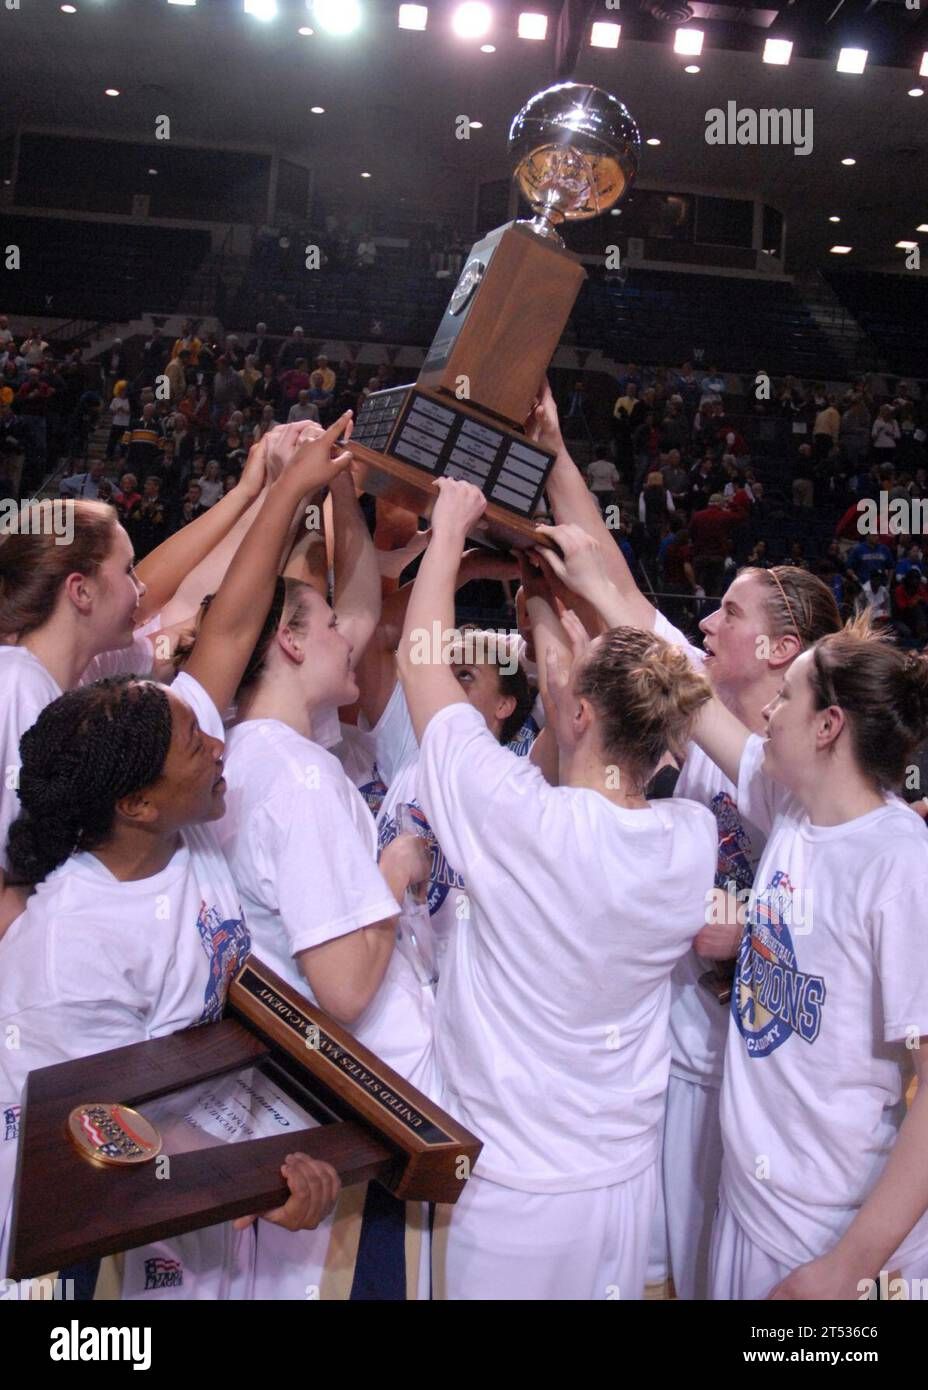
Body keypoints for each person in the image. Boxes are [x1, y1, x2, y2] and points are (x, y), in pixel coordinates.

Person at [0, 419, 354, 1296]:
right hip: (71, 1243)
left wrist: (283, 494)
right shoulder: (70, 937)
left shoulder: (166, 809)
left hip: (175, 1198)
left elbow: (227, 630)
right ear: (138, 802)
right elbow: (95, 1131)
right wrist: (249, 1178)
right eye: (197, 742)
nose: (219, 742)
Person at [521, 379, 843, 1301]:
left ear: (782, 652)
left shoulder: (803, 776)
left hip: (760, 1075)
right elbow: (617, 585)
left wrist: (746, 926)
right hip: (673, 1053)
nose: (705, 623)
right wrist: (554, 450)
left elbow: (832, 912)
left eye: (730, 615)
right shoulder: (693, 699)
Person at [397, 476, 717, 1301]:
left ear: (574, 715)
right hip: (620, 1180)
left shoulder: (519, 821)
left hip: (512, 1193)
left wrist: (446, 535)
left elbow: (420, 663)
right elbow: (597, 710)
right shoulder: (690, 838)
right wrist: (545, 604)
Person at [679, 616, 928, 1300]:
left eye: (786, 695)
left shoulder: (901, 863)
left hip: (835, 1237)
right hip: (753, 1206)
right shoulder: (792, 806)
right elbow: (687, 691)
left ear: (829, 727)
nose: (768, 708)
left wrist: (847, 1269)